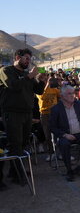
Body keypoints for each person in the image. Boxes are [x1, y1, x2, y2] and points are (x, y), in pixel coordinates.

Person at [0, 49, 47, 189]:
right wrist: (29, 77)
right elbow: (13, 85)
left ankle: (15, 172)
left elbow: (38, 91)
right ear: (17, 57)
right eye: (26, 58)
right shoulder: (6, 70)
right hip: (12, 113)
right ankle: (18, 175)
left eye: (29, 59)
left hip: (26, 113)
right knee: (15, 143)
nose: (28, 61)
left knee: (23, 143)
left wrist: (42, 80)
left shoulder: (27, 75)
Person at [36, 76, 61, 157]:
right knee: (48, 135)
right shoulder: (38, 89)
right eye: (44, 79)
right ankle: (51, 153)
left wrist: (59, 84)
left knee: (58, 133)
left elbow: (60, 97)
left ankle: (60, 153)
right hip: (45, 114)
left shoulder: (54, 89)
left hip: (55, 113)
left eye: (47, 79)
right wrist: (46, 85)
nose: (47, 80)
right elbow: (42, 97)